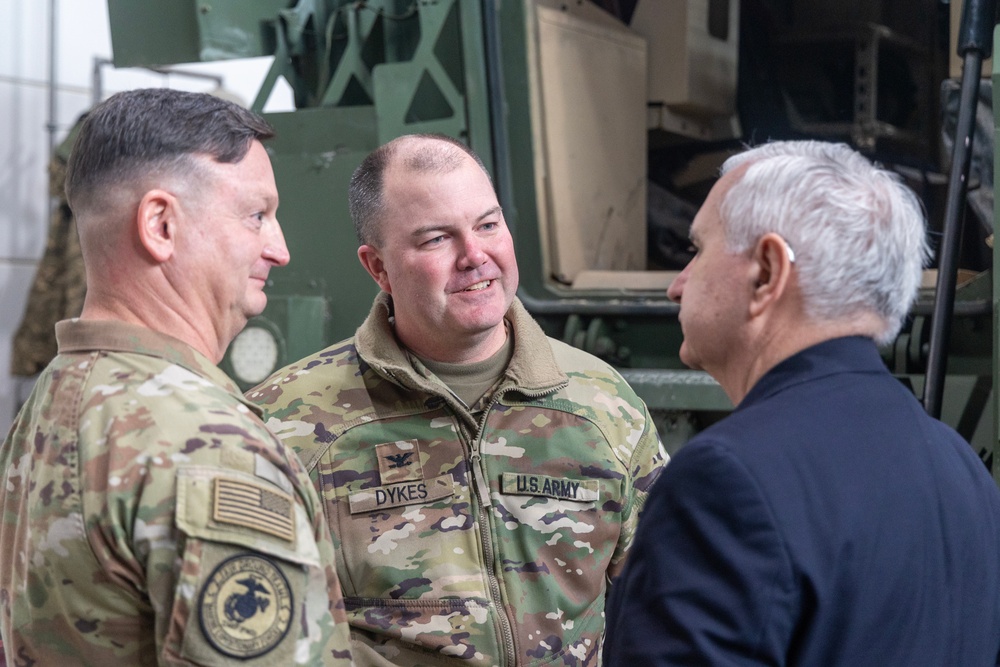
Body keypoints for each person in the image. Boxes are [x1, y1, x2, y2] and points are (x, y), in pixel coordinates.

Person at [247, 133, 666, 666]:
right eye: (436, 239)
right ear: (377, 267)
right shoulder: (287, 421)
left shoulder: (602, 403)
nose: (476, 256)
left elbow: (669, 596)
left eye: (488, 225)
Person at [603, 140, 1000, 665]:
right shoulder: (961, 470)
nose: (678, 286)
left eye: (697, 250)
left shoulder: (726, 481)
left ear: (766, 272)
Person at [0, 88, 353, 666]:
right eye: (256, 215)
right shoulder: (208, 444)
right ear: (161, 224)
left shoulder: (51, 403)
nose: (280, 248)